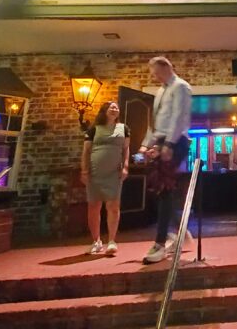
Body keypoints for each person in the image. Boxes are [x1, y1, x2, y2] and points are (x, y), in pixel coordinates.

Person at [139, 56, 193, 265]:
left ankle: (160, 243)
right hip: (161, 140)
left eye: (156, 73)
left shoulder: (181, 87)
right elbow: (156, 121)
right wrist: (146, 144)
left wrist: (169, 144)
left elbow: (179, 117)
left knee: (164, 189)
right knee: (162, 191)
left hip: (176, 141)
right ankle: (179, 233)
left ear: (166, 68)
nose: (155, 77)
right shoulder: (160, 91)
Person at [79, 101, 130, 255]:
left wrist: (126, 166)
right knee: (94, 206)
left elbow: (126, 149)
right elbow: (86, 151)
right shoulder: (94, 129)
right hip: (95, 172)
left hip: (114, 173)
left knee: (113, 206)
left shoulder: (124, 129)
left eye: (116, 107)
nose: (114, 109)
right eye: (111, 107)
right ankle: (96, 241)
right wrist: (84, 171)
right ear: (104, 111)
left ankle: (112, 240)